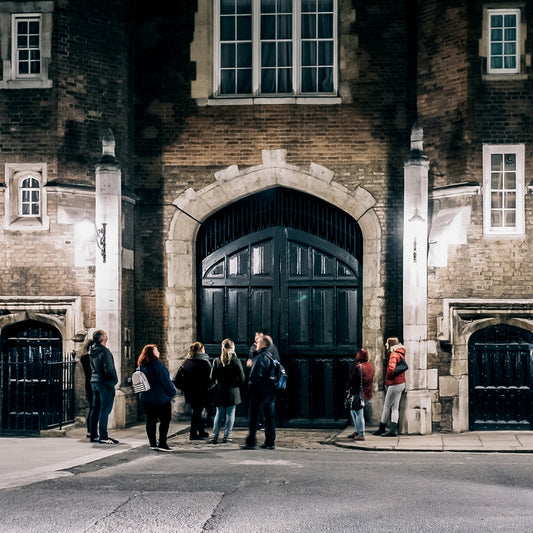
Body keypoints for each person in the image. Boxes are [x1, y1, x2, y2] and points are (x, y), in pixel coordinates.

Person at [137, 344, 177, 451]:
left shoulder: (141, 365)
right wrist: (173, 392)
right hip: (160, 398)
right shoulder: (158, 365)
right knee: (165, 420)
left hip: (146, 398)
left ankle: (152, 443)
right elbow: (166, 381)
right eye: (156, 350)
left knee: (150, 420)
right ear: (152, 353)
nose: (158, 352)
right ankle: (162, 443)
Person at [242, 334, 277, 450]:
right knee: (269, 418)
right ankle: (270, 442)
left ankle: (251, 442)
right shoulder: (270, 356)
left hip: (259, 392)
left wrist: (250, 388)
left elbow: (254, 377)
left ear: (264, 344)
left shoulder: (260, 357)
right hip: (270, 392)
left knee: (253, 417)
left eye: (258, 341)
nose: (256, 342)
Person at [209, 338, 245, 444]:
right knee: (230, 413)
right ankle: (227, 436)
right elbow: (242, 378)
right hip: (233, 391)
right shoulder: (236, 361)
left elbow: (211, 377)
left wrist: (217, 383)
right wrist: (237, 386)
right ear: (233, 347)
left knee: (219, 414)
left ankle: (215, 436)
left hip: (220, 390)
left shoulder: (217, 360)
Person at [89, 330, 119, 444]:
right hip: (105, 383)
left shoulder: (92, 350)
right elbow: (109, 368)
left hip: (94, 381)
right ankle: (103, 436)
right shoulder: (105, 351)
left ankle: (93, 435)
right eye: (105, 335)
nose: (107, 336)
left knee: (95, 409)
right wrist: (114, 380)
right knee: (105, 410)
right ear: (103, 339)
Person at [373, 337, 407, 437]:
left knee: (387, 406)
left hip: (394, 384)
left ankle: (382, 428)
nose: (385, 345)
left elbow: (391, 369)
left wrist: (387, 379)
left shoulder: (394, 354)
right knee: (395, 407)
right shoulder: (401, 353)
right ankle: (393, 429)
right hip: (400, 383)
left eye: (387, 343)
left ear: (391, 344)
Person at [180, 341, 212, 440]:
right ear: (201, 350)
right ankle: (193, 433)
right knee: (197, 412)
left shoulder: (187, 362)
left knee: (197, 411)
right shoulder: (204, 362)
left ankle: (201, 431)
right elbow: (209, 378)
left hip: (189, 392)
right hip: (201, 392)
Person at [346, 348, 375, 441]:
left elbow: (352, 380)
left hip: (359, 393)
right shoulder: (371, 366)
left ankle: (361, 434)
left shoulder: (358, 367)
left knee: (358, 413)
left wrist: (348, 387)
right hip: (367, 392)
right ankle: (357, 431)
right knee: (353, 411)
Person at [79, 339, 94, 439]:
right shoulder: (89, 358)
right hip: (93, 383)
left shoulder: (84, 357)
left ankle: (90, 430)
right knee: (94, 408)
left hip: (88, 383)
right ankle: (91, 430)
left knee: (92, 407)